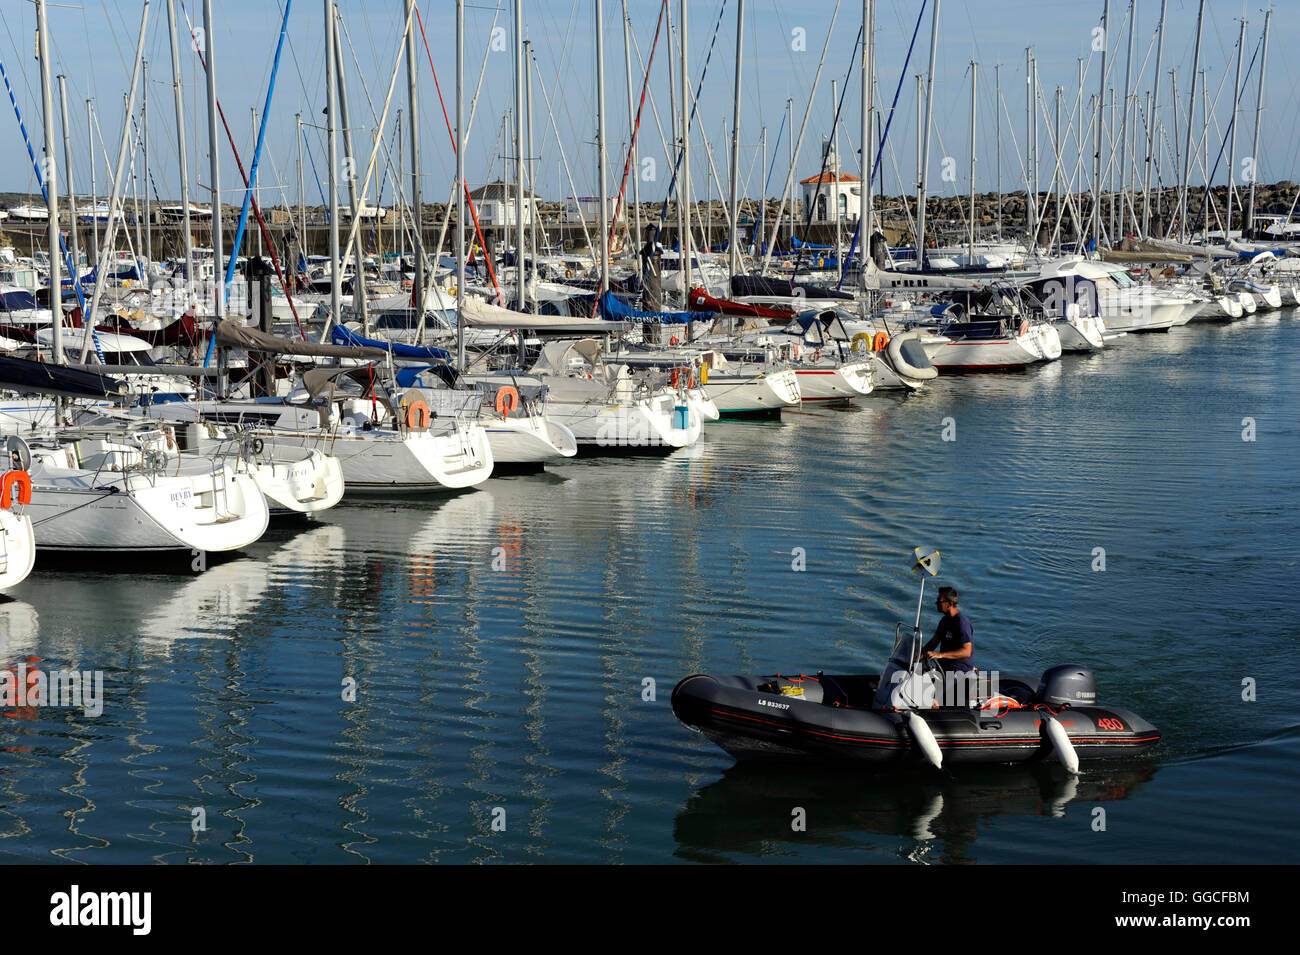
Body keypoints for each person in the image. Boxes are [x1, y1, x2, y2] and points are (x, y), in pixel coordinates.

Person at [923, 586, 974, 674]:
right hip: (943, 668)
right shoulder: (944, 621)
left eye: (939, 601)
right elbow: (932, 643)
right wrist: (915, 658)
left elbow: (967, 651)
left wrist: (941, 655)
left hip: (959, 671)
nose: (936, 603)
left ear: (949, 604)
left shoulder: (962, 623)